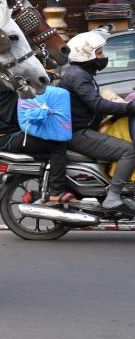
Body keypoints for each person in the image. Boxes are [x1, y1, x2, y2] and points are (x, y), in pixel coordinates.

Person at [60, 31, 135, 212]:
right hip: (78, 133)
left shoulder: (81, 73)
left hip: (82, 129)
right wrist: (128, 108)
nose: (103, 57)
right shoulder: (78, 76)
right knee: (129, 151)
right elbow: (97, 104)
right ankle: (114, 195)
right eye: (99, 53)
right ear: (86, 54)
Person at [0, 77, 72, 204]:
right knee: (57, 145)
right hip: (11, 137)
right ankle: (57, 191)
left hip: (12, 134)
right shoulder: (4, 82)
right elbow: (34, 86)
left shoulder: (1, 80)